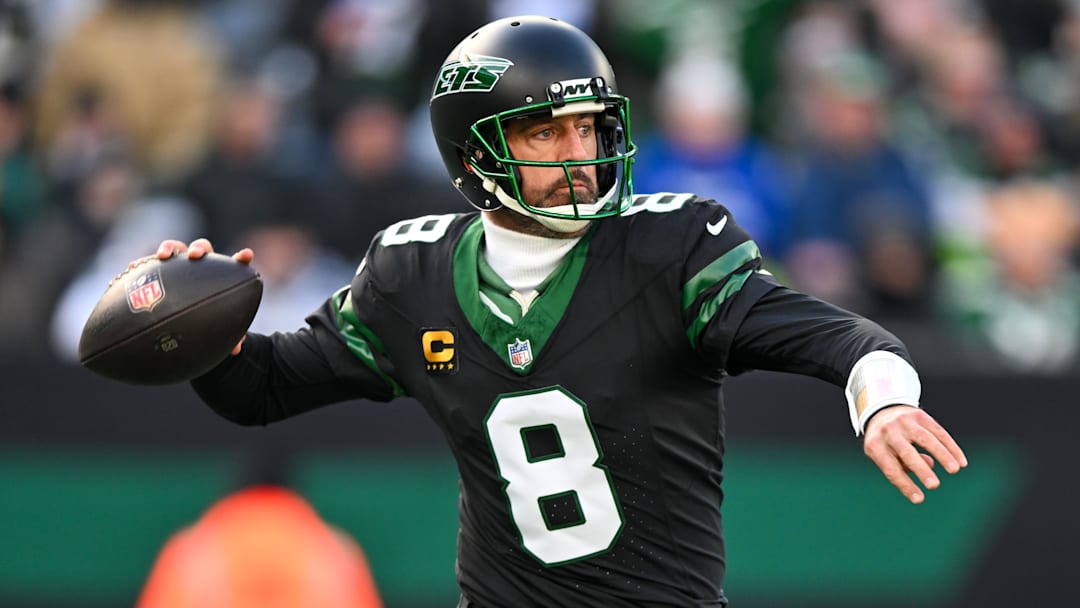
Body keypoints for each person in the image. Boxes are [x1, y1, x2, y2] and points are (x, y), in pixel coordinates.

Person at [152, 16, 966, 607]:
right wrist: (192, 325)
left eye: (590, 128)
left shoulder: (669, 246)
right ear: (477, 152)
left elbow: (824, 331)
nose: (581, 154)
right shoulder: (411, 272)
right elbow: (260, 389)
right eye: (547, 134)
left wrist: (882, 394)